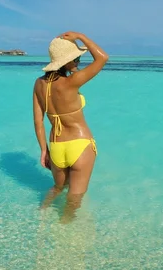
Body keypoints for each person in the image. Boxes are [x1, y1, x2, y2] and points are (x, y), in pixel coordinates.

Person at [32, 31, 109, 222]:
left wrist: (44, 151)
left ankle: (41, 214)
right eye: (75, 59)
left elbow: (38, 121)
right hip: (80, 145)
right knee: (75, 198)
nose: (78, 62)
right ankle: (66, 233)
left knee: (58, 188)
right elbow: (102, 57)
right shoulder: (72, 82)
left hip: (56, 146)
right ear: (65, 61)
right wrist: (81, 37)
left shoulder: (39, 84)